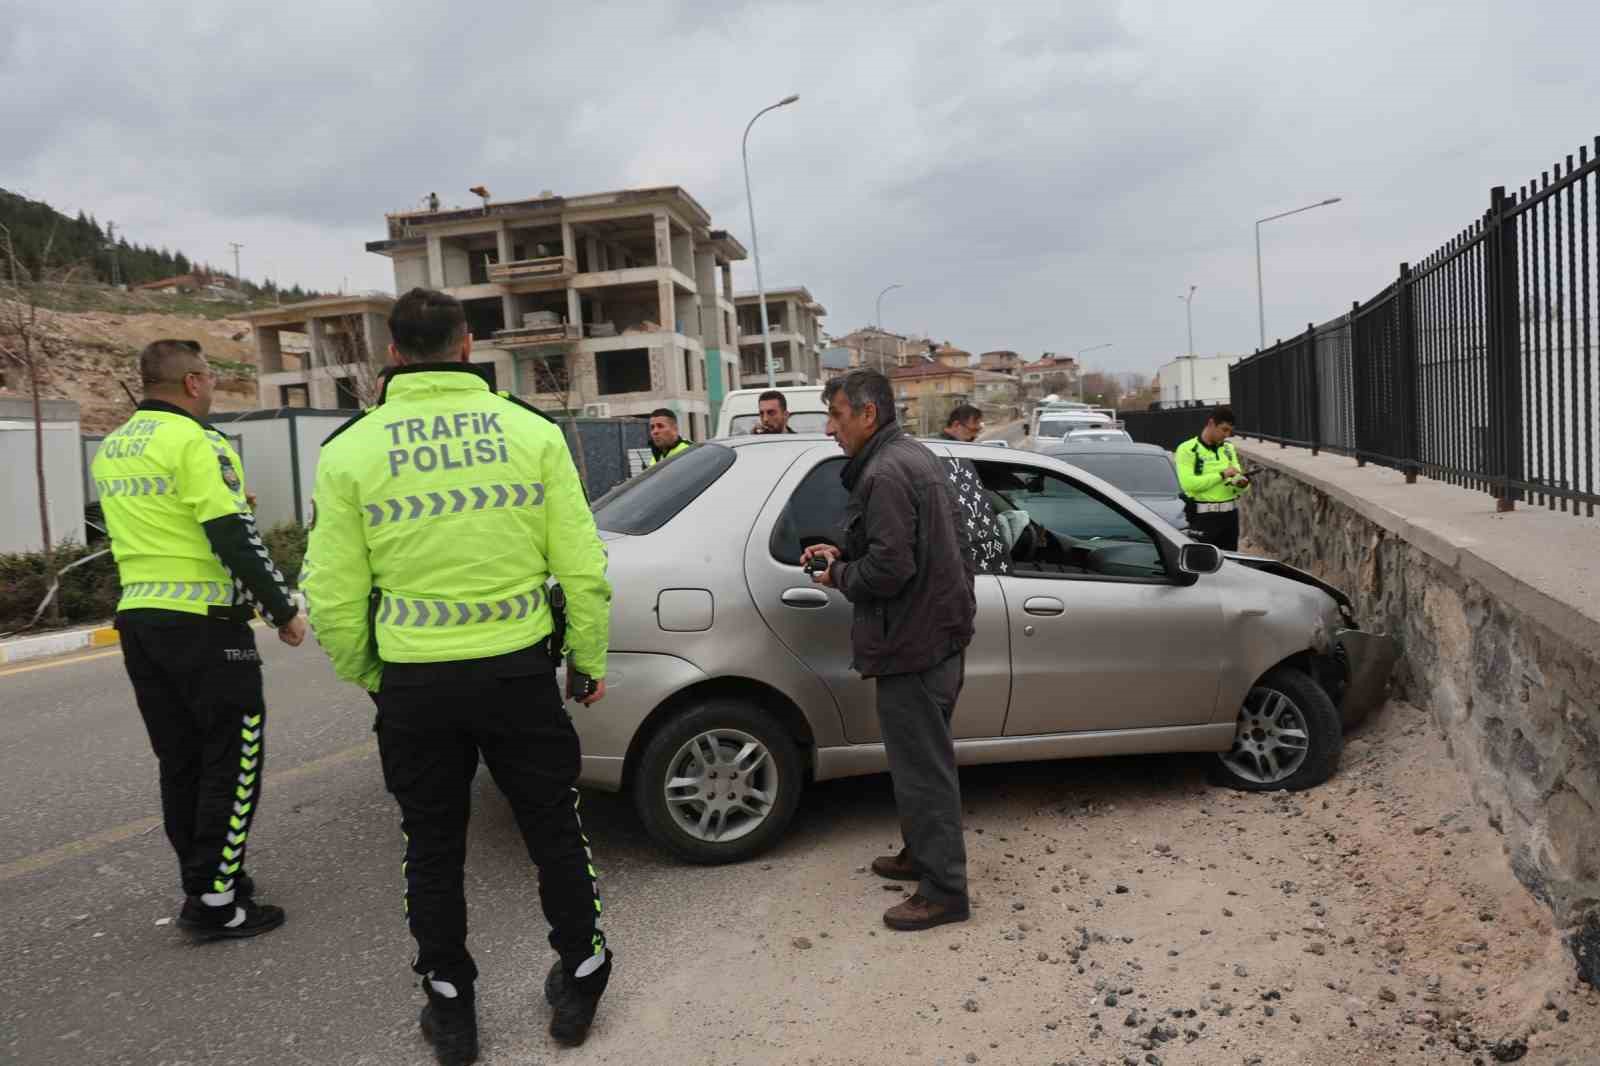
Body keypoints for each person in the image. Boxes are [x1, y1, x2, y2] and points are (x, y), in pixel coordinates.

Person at [301, 288, 614, 1063]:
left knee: (432, 844)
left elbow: (333, 596)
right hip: (518, 675)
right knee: (553, 827)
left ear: (396, 353)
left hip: (415, 684)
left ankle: (451, 1008)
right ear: (469, 345)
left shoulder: (350, 451)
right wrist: (590, 659)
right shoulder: (532, 434)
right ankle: (581, 975)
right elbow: (584, 565)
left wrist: (370, 671)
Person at [92, 339, 305, 943]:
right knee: (234, 759)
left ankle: (210, 877)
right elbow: (231, 535)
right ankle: (215, 901)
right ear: (191, 381)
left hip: (141, 620)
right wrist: (281, 607)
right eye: (209, 378)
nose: (211, 389)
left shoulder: (114, 447)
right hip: (205, 623)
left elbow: (161, 524)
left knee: (180, 759)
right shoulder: (197, 441)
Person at [800, 369, 977, 932]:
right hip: (936, 634)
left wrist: (838, 573)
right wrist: (847, 548)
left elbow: (891, 568)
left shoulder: (885, 472)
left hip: (914, 644)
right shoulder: (912, 458)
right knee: (918, 761)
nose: (831, 428)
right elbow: (908, 542)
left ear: (868, 414)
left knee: (924, 769)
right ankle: (919, 853)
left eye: (837, 416)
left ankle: (945, 890)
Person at [1174, 405, 1249, 552]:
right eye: (1224, 429)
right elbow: (1189, 484)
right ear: (1211, 424)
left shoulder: (1228, 449)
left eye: (1230, 431)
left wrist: (1241, 484)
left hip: (1230, 517)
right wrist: (1222, 475)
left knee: (1231, 565)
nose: (1227, 435)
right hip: (1204, 518)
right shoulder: (1187, 449)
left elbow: (1237, 480)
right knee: (1203, 564)